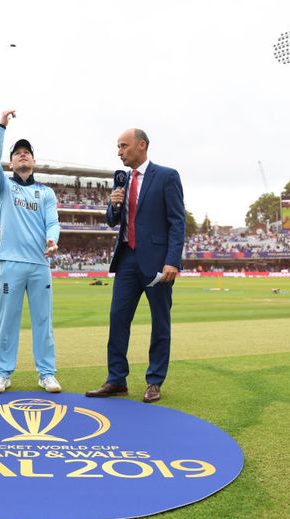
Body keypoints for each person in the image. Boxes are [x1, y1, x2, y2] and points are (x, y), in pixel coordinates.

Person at [86, 128, 185, 403]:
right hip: (127, 259)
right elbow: (111, 220)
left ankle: (154, 381)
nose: (119, 152)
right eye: (118, 147)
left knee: (160, 323)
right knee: (118, 318)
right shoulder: (122, 180)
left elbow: (177, 222)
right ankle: (116, 379)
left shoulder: (167, 176)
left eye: (123, 146)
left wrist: (172, 261)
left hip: (157, 263)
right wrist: (113, 205)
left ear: (141, 146)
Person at [0, 110, 61, 394]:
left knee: (44, 320)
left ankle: (47, 373)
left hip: (40, 263)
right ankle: (3, 373)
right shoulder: (3, 186)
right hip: (11, 263)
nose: (22, 155)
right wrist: (1, 126)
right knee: (8, 321)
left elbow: (53, 222)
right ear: (11, 161)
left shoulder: (46, 192)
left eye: (27, 152)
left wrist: (52, 240)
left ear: (33, 160)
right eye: (17, 153)